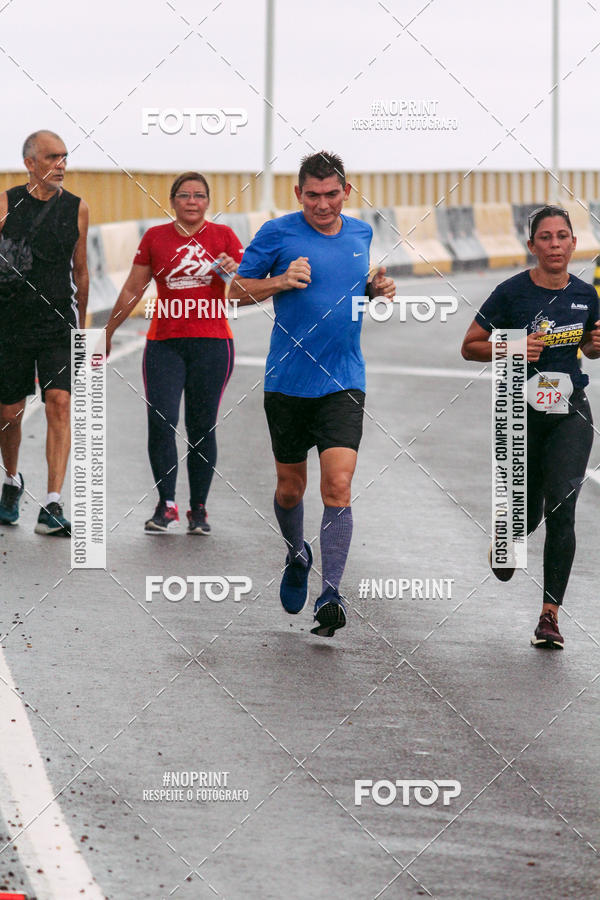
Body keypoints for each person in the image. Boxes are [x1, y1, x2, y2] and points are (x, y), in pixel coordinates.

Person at [229, 151, 395, 637]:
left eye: (331, 194)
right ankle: (297, 552)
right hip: (287, 382)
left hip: (344, 380)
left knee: (338, 486)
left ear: (347, 191)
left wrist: (375, 288)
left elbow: (351, 289)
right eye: (312, 195)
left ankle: (331, 594)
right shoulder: (277, 234)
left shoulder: (362, 233)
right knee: (290, 488)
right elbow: (234, 291)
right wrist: (280, 280)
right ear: (298, 194)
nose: (322, 204)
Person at [461, 204, 600, 649]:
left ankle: (549, 616)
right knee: (530, 513)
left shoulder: (586, 294)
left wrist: (596, 346)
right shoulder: (511, 293)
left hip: (571, 413)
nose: (555, 245)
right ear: (532, 246)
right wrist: (512, 344)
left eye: (562, 236)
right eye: (546, 237)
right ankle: (512, 532)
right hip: (520, 415)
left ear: (574, 243)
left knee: (562, 505)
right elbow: (470, 347)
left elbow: (592, 349)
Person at [105, 172, 243, 534]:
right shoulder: (155, 238)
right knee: (161, 421)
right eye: (184, 195)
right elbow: (133, 289)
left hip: (213, 344)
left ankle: (199, 509)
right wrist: (108, 332)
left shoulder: (224, 237)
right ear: (173, 202)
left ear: (208, 201)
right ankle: (166, 505)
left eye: (199, 195)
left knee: (201, 427)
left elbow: (247, 289)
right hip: (164, 344)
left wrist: (234, 270)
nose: (192, 201)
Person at [0, 130, 89, 535]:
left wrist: (83, 331)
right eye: (52, 157)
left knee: (59, 402)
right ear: (30, 162)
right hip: (11, 324)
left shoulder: (76, 208)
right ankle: (12, 481)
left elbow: (82, 272)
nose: (61, 165)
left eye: (65, 157)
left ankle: (53, 503)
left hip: (57, 324)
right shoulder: (5, 203)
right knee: (9, 414)